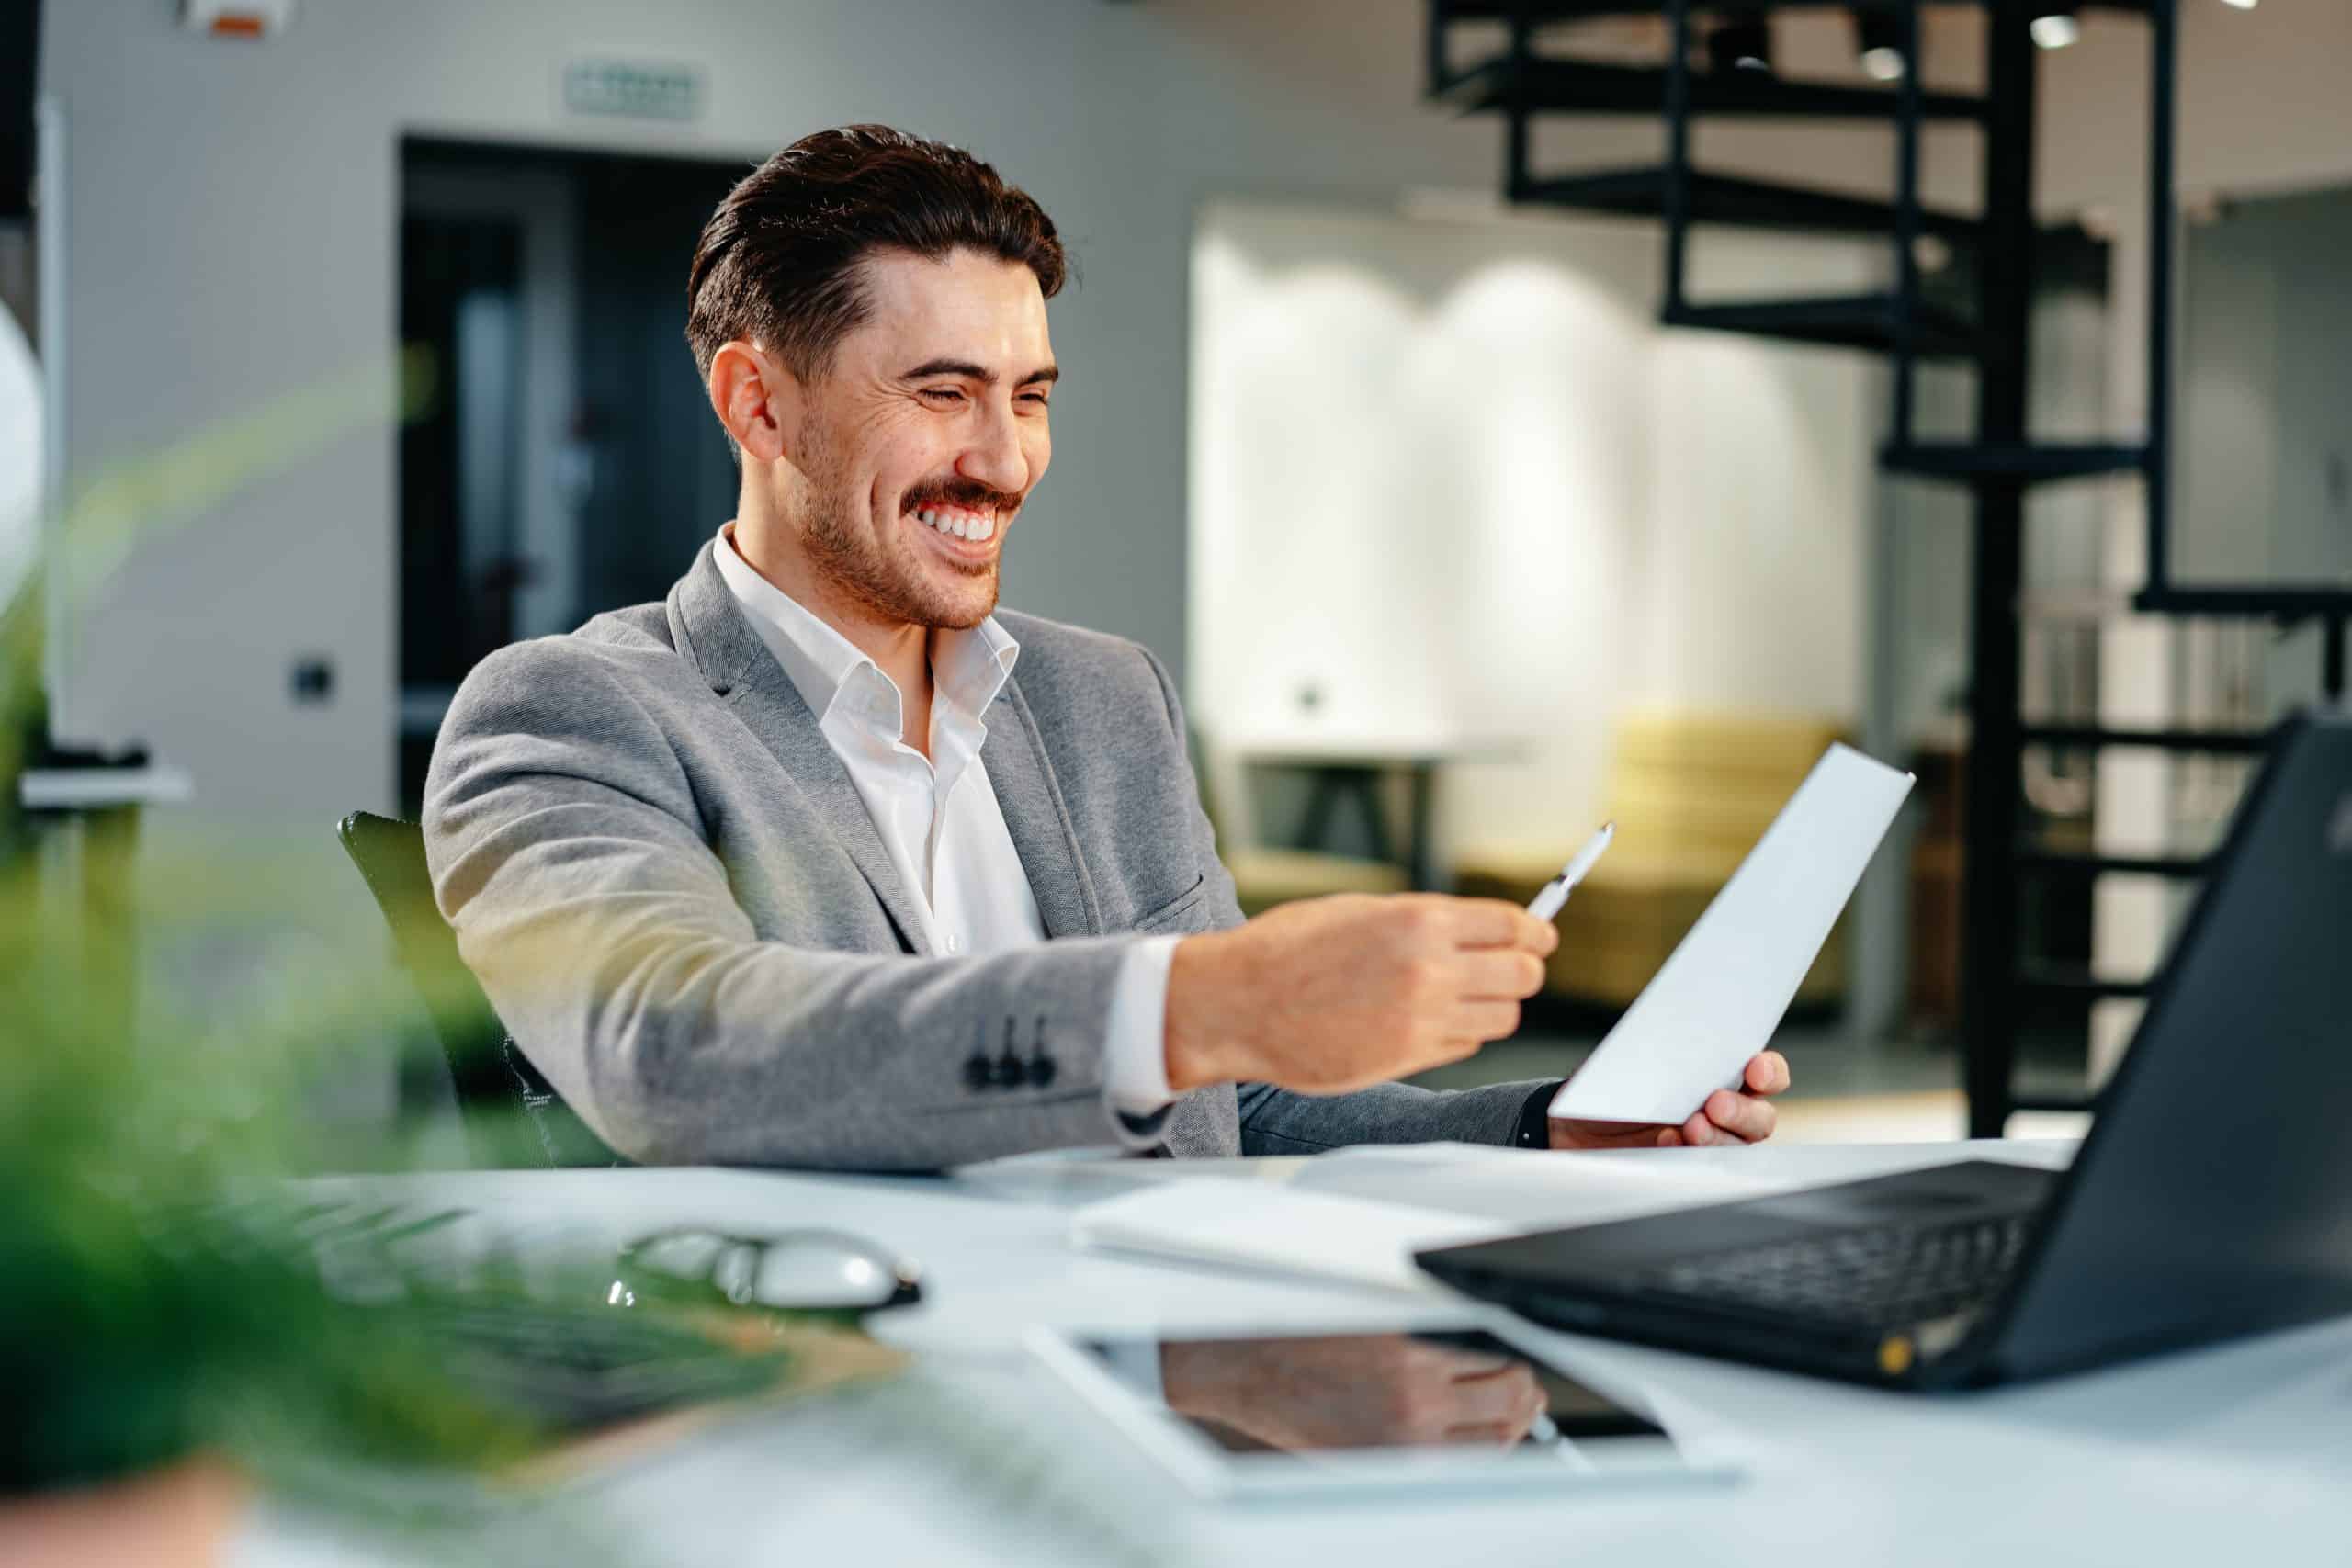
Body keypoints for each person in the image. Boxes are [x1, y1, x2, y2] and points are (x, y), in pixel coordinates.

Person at [424, 125, 1790, 1169]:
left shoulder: (1100, 698)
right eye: (942, 392)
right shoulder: (570, 715)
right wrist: (1190, 999)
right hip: (837, 1427)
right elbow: (679, 1053)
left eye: (1030, 396)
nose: (1005, 460)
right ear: (759, 405)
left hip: (1162, 1389)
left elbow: (1238, 1104)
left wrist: (1552, 1128)